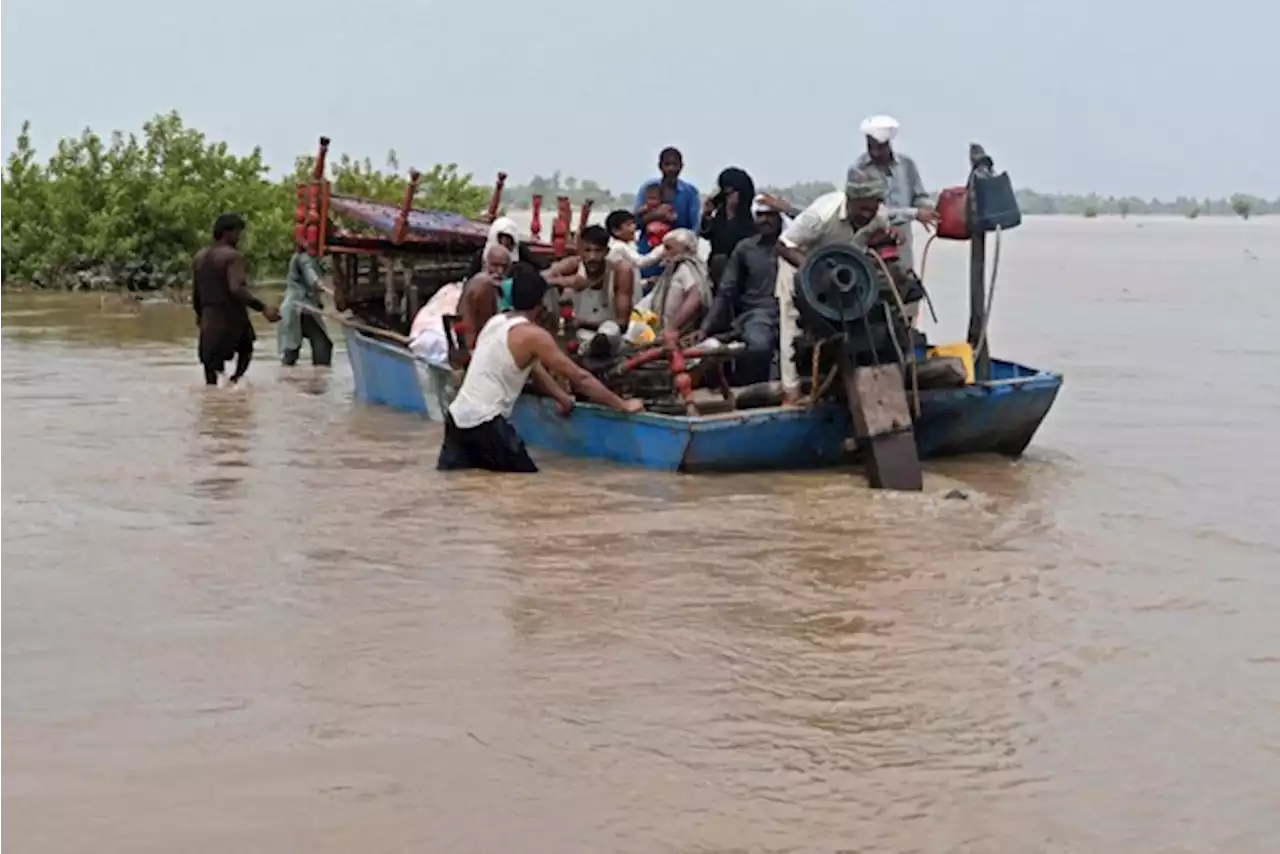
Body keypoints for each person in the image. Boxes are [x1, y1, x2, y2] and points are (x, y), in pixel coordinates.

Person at [438, 264, 644, 473]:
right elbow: (580, 378)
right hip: (487, 425)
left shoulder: (495, 323)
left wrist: (561, 398)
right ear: (541, 303)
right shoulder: (534, 336)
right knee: (528, 486)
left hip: (456, 421)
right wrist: (622, 405)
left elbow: (533, 368)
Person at [773, 168, 920, 402]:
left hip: (845, 273)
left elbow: (872, 238)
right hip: (800, 268)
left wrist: (890, 237)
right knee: (793, 328)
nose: (867, 214)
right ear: (849, 200)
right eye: (862, 208)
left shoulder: (877, 216)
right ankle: (791, 393)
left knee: (859, 321)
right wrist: (815, 269)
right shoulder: (821, 216)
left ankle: (853, 379)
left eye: (872, 208)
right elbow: (782, 245)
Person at [697, 197, 787, 385]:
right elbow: (725, 291)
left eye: (770, 215)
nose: (764, 220)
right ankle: (757, 391)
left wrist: (788, 208)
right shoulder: (745, 248)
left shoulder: (797, 246)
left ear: (780, 217)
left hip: (793, 310)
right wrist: (705, 327)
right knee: (759, 346)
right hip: (758, 313)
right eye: (760, 215)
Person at [192, 213, 279, 386]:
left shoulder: (200, 257)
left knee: (211, 376)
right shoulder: (233, 256)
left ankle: (216, 403)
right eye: (238, 232)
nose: (239, 237)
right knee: (246, 348)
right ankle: (236, 382)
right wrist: (263, 308)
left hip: (209, 318)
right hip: (231, 317)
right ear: (227, 232)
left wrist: (200, 315)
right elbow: (236, 289)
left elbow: (196, 293)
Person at [852, 115, 938, 271]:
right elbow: (876, 212)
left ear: (888, 144)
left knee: (904, 281)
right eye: (871, 147)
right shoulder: (858, 170)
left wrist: (930, 210)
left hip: (902, 239)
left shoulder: (906, 165)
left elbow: (919, 197)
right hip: (870, 237)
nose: (875, 153)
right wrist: (915, 213)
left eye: (880, 147)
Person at [542, 225, 636, 353]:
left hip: (608, 337)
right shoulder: (572, 264)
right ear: (580, 251)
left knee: (609, 331)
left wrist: (583, 323)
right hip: (577, 335)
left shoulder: (620, 271)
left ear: (606, 252)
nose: (592, 257)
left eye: (598, 251)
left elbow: (622, 323)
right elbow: (540, 279)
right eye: (587, 250)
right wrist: (564, 282)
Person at [633, 147, 701, 284]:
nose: (671, 169)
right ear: (660, 166)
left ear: (681, 166)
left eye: (674, 164)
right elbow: (635, 223)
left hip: (678, 256)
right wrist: (656, 215)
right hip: (648, 253)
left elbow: (694, 229)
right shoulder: (648, 189)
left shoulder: (690, 192)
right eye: (667, 164)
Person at [642, 228, 713, 335]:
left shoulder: (687, 268)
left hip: (680, 332)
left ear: (685, 249)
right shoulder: (674, 268)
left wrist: (673, 327)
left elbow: (696, 296)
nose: (664, 253)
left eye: (668, 248)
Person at [700, 167, 758, 287]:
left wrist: (732, 214)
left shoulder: (751, 216)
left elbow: (731, 241)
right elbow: (708, 234)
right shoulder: (721, 213)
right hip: (717, 272)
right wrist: (707, 215)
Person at [277, 246, 333, 367]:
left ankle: (288, 379)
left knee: (291, 351)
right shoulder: (304, 258)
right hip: (301, 308)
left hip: (293, 308)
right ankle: (320, 378)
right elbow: (311, 275)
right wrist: (322, 287)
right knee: (323, 345)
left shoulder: (305, 257)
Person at [456, 244, 512, 354]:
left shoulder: (496, 286)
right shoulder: (483, 284)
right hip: (474, 349)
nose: (500, 271)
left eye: (504, 267)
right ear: (485, 264)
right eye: (495, 265)